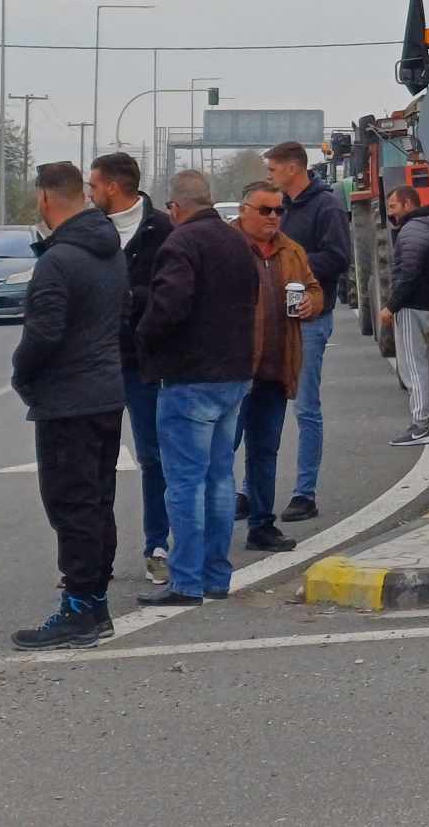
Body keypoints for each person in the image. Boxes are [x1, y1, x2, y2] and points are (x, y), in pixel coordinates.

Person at [9, 162, 132, 648]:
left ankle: (79, 608)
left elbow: (43, 333)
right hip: (105, 392)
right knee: (97, 503)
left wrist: (22, 373)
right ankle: (93, 603)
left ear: (44, 199)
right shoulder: (109, 250)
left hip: (67, 400)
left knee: (70, 505)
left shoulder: (58, 261)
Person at [135, 170, 259, 606]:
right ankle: (216, 575)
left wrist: (143, 338)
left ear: (175, 207)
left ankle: (185, 581)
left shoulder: (180, 244)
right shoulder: (237, 242)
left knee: (184, 483)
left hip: (189, 378)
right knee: (221, 478)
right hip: (234, 375)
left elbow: (168, 306)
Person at [89, 151, 175, 584]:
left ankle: (157, 544)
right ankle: (93, 555)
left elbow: (171, 290)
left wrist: (129, 301)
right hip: (99, 362)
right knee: (95, 458)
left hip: (145, 362)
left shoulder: (162, 229)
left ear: (114, 186)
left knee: (153, 455)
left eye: (94, 186)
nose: (90, 193)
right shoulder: (91, 230)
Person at [232, 180, 323, 554]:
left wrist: (311, 305)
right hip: (233, 372)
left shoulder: (292, 251)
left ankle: (262, 525)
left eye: (278, 211)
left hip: (275, 369)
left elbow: (315, 289)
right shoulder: (227, 246)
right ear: (244, 211)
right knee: (221, 453)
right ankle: (212, 529)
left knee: (265, 451)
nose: (273, 218)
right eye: (265, 210)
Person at [263, 141, 351, 523]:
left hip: (310, 319)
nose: (270, 174)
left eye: (274, 168)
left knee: (306, 407)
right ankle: (252, 490)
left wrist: (292, 263)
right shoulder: (278, 207)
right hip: (271, 319)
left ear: (293, 168)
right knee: (261, 405)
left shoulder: (326, 205)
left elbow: (337, 258)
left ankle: (304, 492)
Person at [381, 184, 429, 447]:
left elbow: (408, 273)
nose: (391, 214)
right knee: (425, 364)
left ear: (408, 204)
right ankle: (422, 420)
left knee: (413, 366)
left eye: (394, 207)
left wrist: (392, 306)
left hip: (412, 306)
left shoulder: (411, 231)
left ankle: (420, 425)